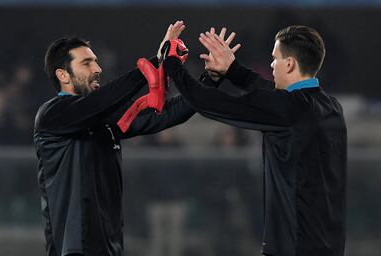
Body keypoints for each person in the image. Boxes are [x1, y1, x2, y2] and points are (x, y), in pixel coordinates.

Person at [163, 25, 347, 256]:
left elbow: (206, 101)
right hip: (331, 246)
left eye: (275, 59)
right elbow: (272, 96)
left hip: (293, 248)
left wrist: (170, 62)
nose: (271, 65)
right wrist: (233, 70)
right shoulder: (331, 107)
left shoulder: (287, 109)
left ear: (289, 64)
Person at [34, 21, 195, 256]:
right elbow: (98, 103)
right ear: (63, 74)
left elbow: (164, 115)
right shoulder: (52, 115)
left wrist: (209, 81)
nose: (97, 68)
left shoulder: (105, 115)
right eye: (87, 63)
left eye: (96, 61)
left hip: (111, 249)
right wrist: (152, 63)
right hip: (73, 249)